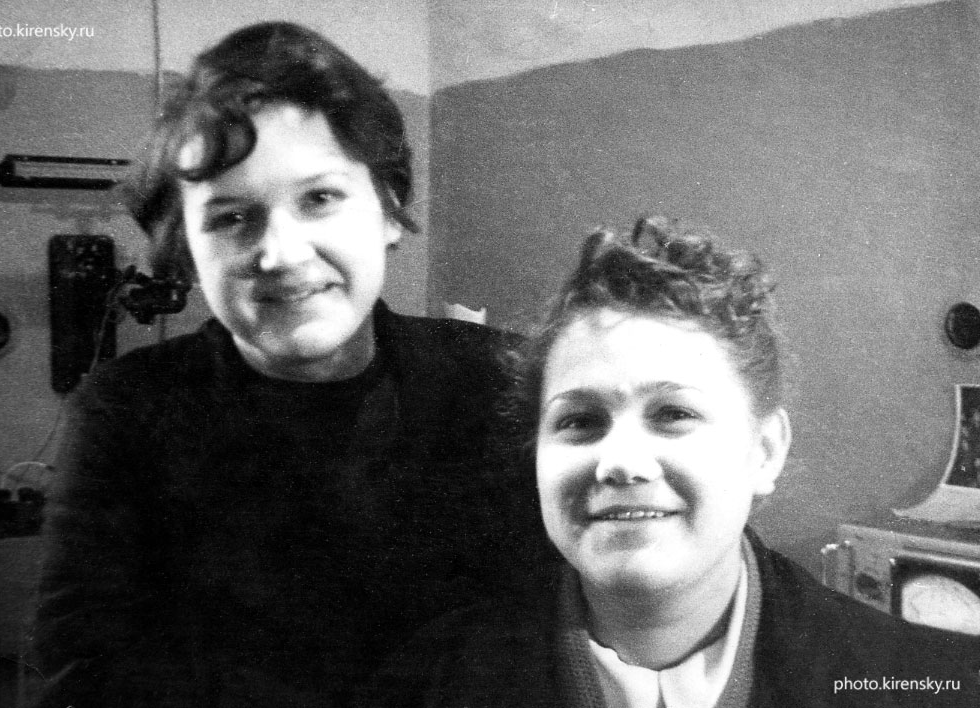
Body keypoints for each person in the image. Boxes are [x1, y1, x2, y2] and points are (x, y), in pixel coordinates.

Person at [32, 22, 547, 708]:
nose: (281, 253)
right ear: (185, 248)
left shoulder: (499, 383)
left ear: (390, 210)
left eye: (320, 198)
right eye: (231, 218)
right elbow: (84, 676)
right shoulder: (127, 412)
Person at [360, 216, 980, 707]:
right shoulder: (425, 685)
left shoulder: (930, 686)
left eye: (673, 414)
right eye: (580, 422)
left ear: (765, 451)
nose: (620, 462)